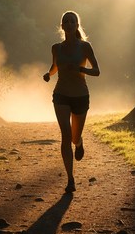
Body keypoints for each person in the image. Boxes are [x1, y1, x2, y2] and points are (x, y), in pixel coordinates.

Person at [43, 11, 100, 193]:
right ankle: (70, 180)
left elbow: (97, 71)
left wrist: (79, 68)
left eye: (72, 21)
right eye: (65, 21)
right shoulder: (56, 48)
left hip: (80, 96)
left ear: (77, 25)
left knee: (74, 137)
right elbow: (55, 66)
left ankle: (80, 142)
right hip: (61, 95)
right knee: (65, 136)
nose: (68, 23)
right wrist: (48, 74)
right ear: (62, 26)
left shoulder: (85, 47)